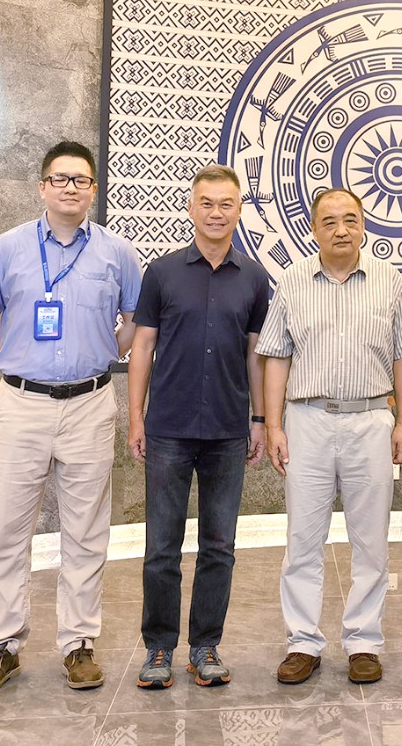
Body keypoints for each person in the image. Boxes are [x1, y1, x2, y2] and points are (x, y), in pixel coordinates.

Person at [0, 141, 141, 694]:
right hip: (21, 404)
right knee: (7, 531)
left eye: (81, 180)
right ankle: (2, 646)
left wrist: (105, 355)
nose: (70, 187)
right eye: (60, 178)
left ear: (93, 189)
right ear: (42, 186)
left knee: (86, 532)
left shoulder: (117, 253)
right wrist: (15, 360)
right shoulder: (8, 247)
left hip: (90, 404)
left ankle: (79, 644)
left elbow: (135, 321)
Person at [256, 188, 402, 686]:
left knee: (370, 541)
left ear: (364, 225)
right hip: (306, 421)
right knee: (302, 540)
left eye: (350, 219)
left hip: (371, 419)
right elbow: (276, 357)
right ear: (314, 229)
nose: (341, 230)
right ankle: (302, 643)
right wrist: (274, 425)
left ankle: (364, 642)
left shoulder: (390, 281)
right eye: (329, 221)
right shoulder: (292, 281)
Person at [126, 164, 270, 690]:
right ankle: (159, 648)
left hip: (228, 431)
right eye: (206, 202)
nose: (215, 212)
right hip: (168, 427)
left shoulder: (254, 277)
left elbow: (256, 355)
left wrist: (260, 419)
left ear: (238, 210)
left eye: (225, 203)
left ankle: (205, 645)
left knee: (219, 546)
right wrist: (136, 415)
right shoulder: (162, 273)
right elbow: (143, 345)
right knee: (161, 547)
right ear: (191, 208)